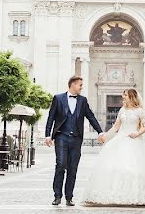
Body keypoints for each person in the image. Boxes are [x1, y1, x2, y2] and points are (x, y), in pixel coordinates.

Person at [81, 88, 145, 207]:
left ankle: (136, 195)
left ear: (132, 96)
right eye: (123, 95)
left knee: (134, 168)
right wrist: (105, 136)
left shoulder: (139, 111)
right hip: (120, 140)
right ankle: (115, 194)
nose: (123, 97)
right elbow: (116, 127)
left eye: (125, 95)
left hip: (134, 140)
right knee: (114, 167)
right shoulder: (122, 110)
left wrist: (137, 133)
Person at [44, 76, 105, 206]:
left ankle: (69, 197)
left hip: (76, 139)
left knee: (73, 168)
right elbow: (51, 117)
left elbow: (91, 116)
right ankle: (57, 196)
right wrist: (47, 135)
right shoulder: (58, 98)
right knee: (60, 165)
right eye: (80, 85)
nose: (81, 87)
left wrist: (100, 131)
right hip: (61, 136)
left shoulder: (83, 101)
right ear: (73, 84)